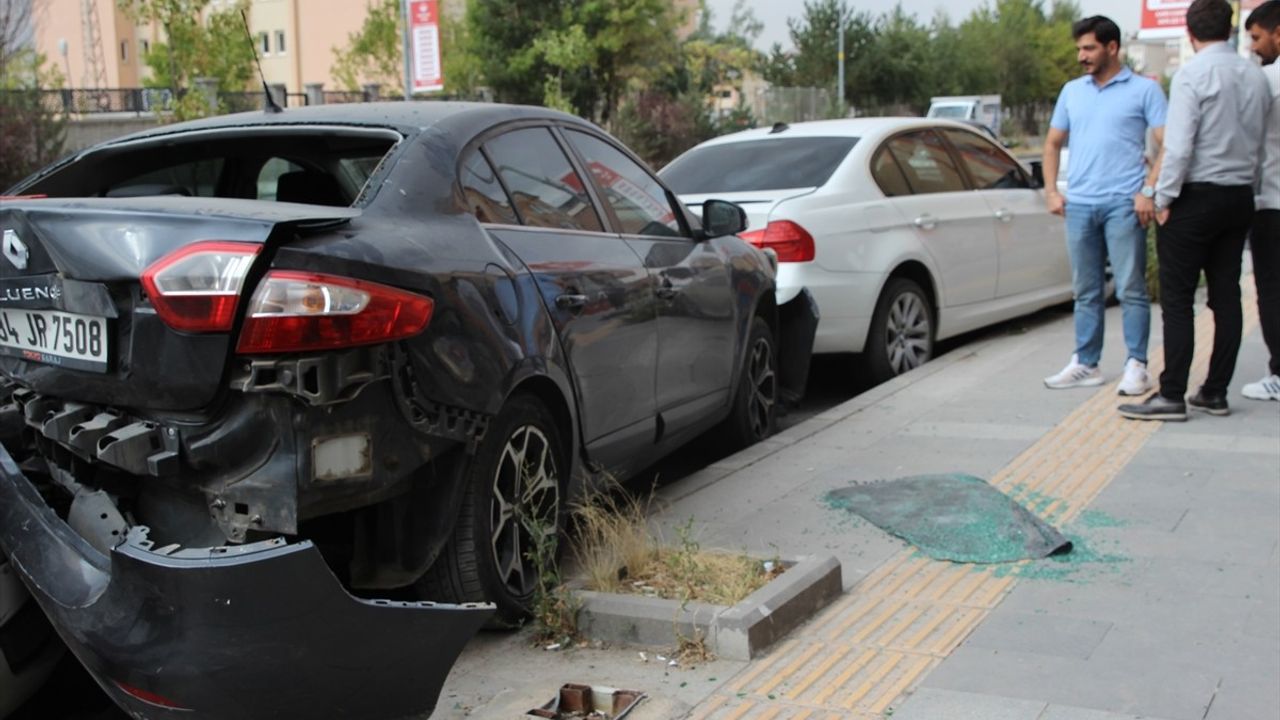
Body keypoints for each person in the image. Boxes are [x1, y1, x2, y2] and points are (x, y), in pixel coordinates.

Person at [1119, 0, 1271, 421]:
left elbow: (1180, 146)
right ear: (1232, 29)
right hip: (1239, 196)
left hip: (1195, 197)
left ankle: (1171, 395)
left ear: (1189, 33)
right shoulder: (1255, 76)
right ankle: (1215, 392)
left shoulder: (1193, 75)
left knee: (1179, 299)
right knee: (1227, 296)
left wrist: (1160, 197)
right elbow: (1258, 145)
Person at [1042, 16, 1167, 396]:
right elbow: (1051, 143)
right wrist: (1051, 190)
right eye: (1079, 48)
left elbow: (1170, 143)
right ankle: (1086, 362)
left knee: (1130, 288)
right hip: (1079, 203)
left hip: (1122, 204)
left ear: (1112, 48)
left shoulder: (1144, 90)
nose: (1081, 55)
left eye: (1089, 48)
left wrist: (1148, 189)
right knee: (1086, 289)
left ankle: (1137, 366)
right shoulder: (1072, 91)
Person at [1241, 0, 1280, 402]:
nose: (1254, 46)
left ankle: (1279, 373)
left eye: (1257, 37)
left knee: (1271, 290)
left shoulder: (1267, 81)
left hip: (1272, 202)